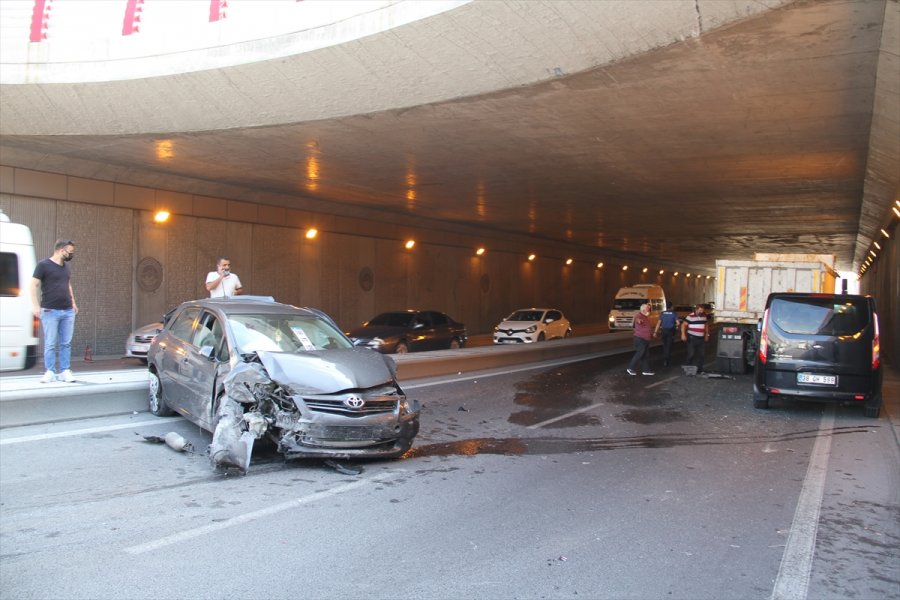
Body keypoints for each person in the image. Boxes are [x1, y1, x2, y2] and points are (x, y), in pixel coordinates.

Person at [31, 239, 78, 383]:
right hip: (50, 310)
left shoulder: (66, 267)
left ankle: (65, 371)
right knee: (50, 343)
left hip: (68, 311)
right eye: (70, 252)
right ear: (61, 250)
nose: (71, 254)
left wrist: (73, 303)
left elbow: (67, 285)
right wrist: (36, 306)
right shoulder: (43, 265)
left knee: (66, 343)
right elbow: (33, 285)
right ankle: (50, 371)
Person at [626, 303, 654, 376]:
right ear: (643, 310)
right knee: (640, 353)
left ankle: (646, 370)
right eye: (648, 309)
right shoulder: (639, 316)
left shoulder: (645, 317)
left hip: (645, 339)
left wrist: (651, 335)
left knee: (645, 355)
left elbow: (646, 327)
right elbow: (637, 320)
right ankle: (630, 368)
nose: (649, 310)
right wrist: (639, 321)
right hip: (640, 339)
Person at [681, 303, 709, 373]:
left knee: (702, 355)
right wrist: (683, 334)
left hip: (701, 339)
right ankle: (688, 369)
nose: (701, 312)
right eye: (700, 310)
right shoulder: (690, 316)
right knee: (691, 354)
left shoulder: (704, 316)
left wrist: (707, 335)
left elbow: (706, 325)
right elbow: (683, 325)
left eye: (702, 310)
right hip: (692, 338)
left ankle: (700, 370)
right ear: (696, 310)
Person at [653, 301, 679, 367]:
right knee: (669, 345)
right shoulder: (674, 313)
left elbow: (658, 323)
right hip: (671, 331)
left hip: (663, 331)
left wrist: (655, 332)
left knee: (665, 344)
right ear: (671, 306)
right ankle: (667, 359)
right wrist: (675, 326)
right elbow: (678, 323)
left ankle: (665, 357)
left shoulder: (662, 313)